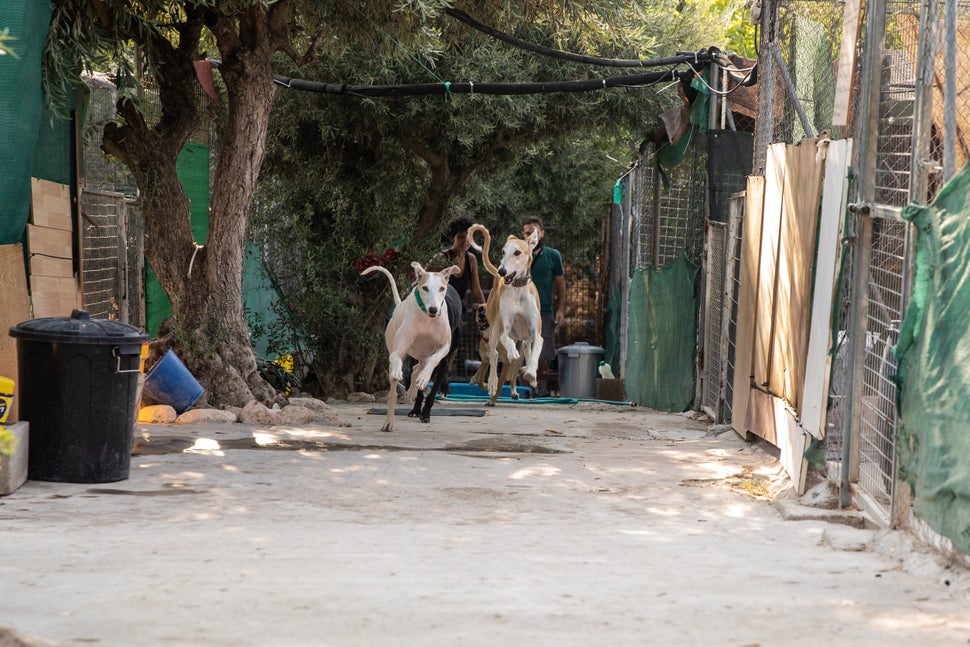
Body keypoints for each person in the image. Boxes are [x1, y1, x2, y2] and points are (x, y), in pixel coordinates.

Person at [522, 215, 566, 397]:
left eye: (533, 232)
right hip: (521, 311)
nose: (530, 236)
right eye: (526, 233)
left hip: (544, 311)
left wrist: (561, 309)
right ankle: (524, 389)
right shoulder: (519, 253)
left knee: (545, 352)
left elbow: (561, 285)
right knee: (522, 349)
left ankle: (538, 386)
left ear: (541, 233)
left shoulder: (553, 256)